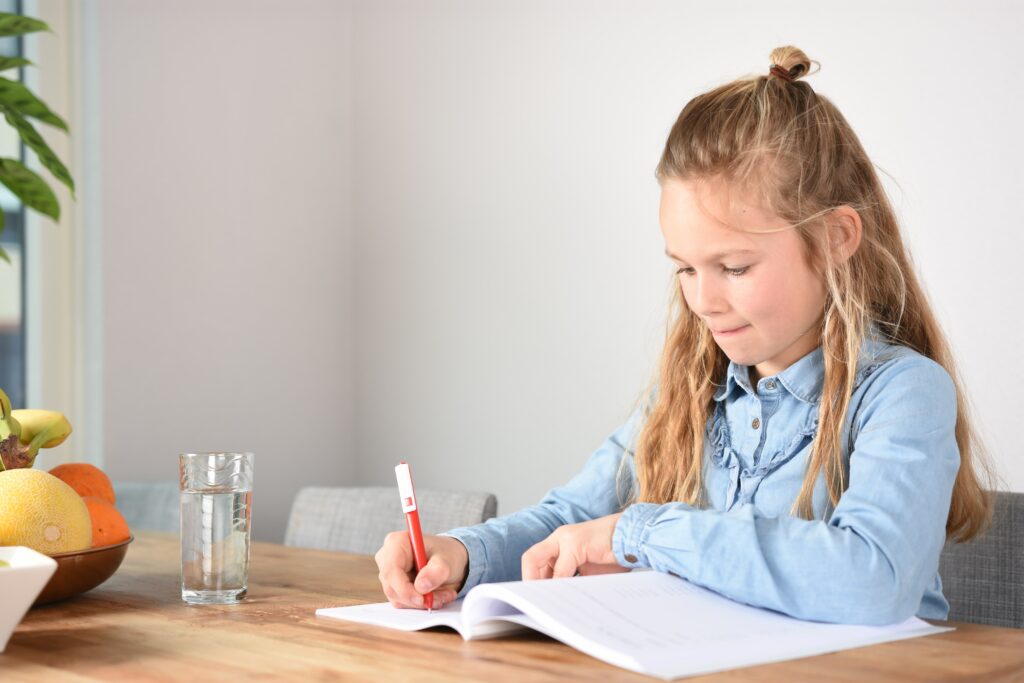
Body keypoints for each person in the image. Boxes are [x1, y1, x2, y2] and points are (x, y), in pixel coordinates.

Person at [373, 45, 995, 625]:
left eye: (735, 267)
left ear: (835, 239)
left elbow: (871, 578)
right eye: (686, 269)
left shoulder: (903, 393)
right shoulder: (689, 392)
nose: (702, 300)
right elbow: (571, 518)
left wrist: (638, 533)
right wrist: (461, 553)